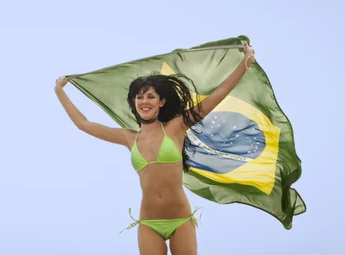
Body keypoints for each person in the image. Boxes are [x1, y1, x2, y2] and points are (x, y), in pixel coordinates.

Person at [54, 44, 256, 255]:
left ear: (161, 101)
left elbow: (219, 93)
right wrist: (60, 91)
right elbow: (84, 124)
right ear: (134, 102)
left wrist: (245, 63)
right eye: (140, 97)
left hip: (181, 220)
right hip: (149, 223)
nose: (144, 101)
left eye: (150, 96)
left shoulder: (177, 126)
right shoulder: (128, 137)